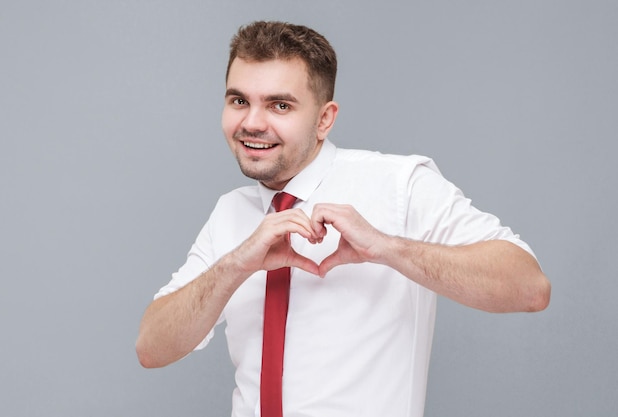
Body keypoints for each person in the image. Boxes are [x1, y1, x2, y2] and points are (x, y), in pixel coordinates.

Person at [136, 20, 550, 417]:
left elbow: (528, 287)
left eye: (280, 105)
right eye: (239, 100)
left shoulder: (399, 184)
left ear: (324, 119)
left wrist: (387, 248)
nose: (252, 122)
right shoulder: (231, 212)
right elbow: (152, 348)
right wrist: (236, 264)